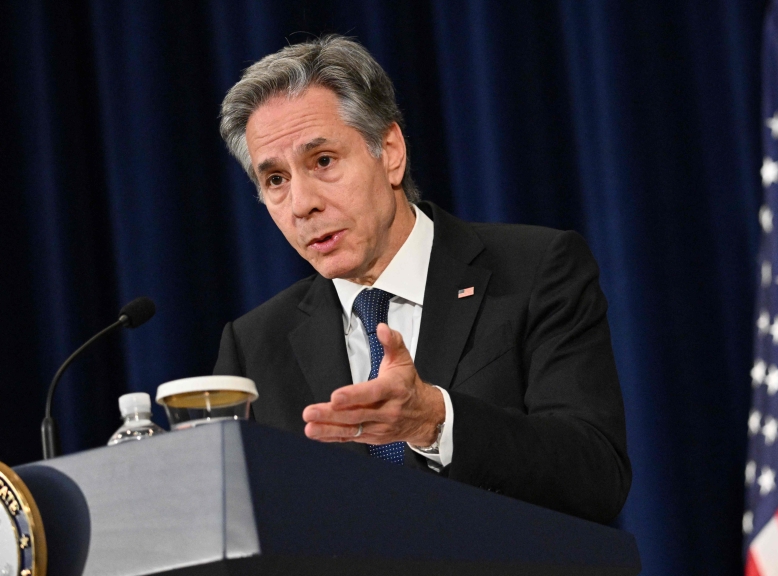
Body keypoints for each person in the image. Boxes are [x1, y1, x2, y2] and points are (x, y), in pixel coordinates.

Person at [213, 35, 630, 524]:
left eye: (323, 161)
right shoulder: (254, 344)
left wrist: (437, 421)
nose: (302, 204)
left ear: (390, 151)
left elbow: (596, 474)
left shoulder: (535, 270)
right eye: (276, 180)